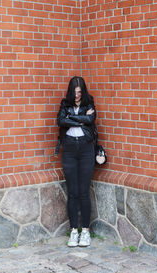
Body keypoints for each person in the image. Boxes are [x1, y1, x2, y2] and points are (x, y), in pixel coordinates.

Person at [57, 76, 96, 247]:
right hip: (70, 150)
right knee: (73, 192)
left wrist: (72, 119)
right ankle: (74, 231)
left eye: (80, 91)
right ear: (70, 91)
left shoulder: (89, 103)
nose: (77, 95)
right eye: (75, 91)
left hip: (86, 149)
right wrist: (81, 119)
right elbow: (60, 121)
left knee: (84, 192)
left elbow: (91, 120)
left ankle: (85, 231)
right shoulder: (65, 104)